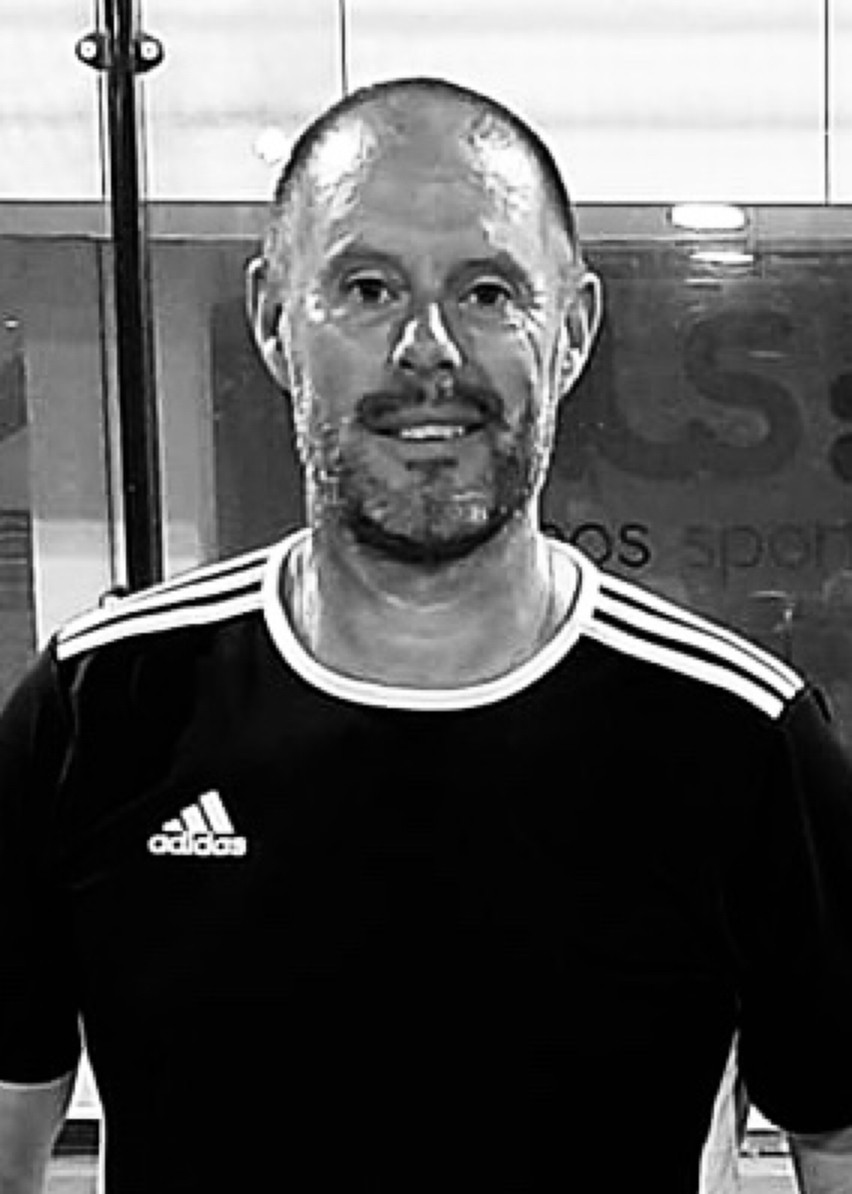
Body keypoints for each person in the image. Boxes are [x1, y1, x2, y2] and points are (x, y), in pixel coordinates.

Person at [1, 76, 852, 1194]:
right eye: (367, 288)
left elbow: (838, 1140)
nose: (428, 350)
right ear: (272, 319)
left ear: (573, 332)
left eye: (489, 292)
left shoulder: (741, 740)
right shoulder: (98, 707)